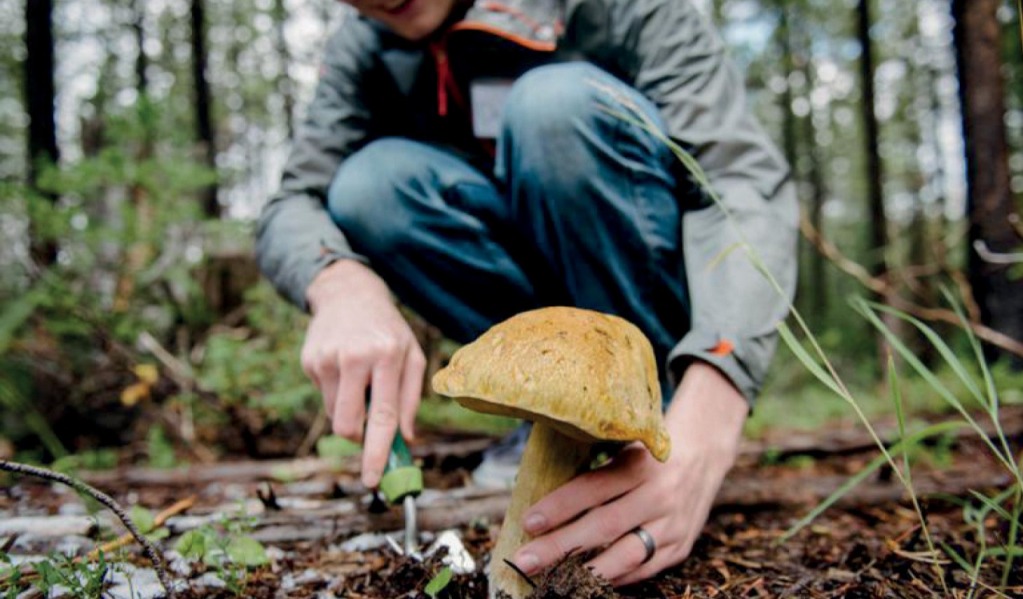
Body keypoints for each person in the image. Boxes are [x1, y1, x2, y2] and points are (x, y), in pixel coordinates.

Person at [256, 0, 797, 588]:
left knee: (553, 108)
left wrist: (716, 397)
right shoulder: (364, 45)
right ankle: (549, 421)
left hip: (654, 308)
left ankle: (655, 418)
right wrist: (338, 283)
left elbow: (741, 182)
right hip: (524, 281)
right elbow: (293, 202)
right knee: (368, 185)